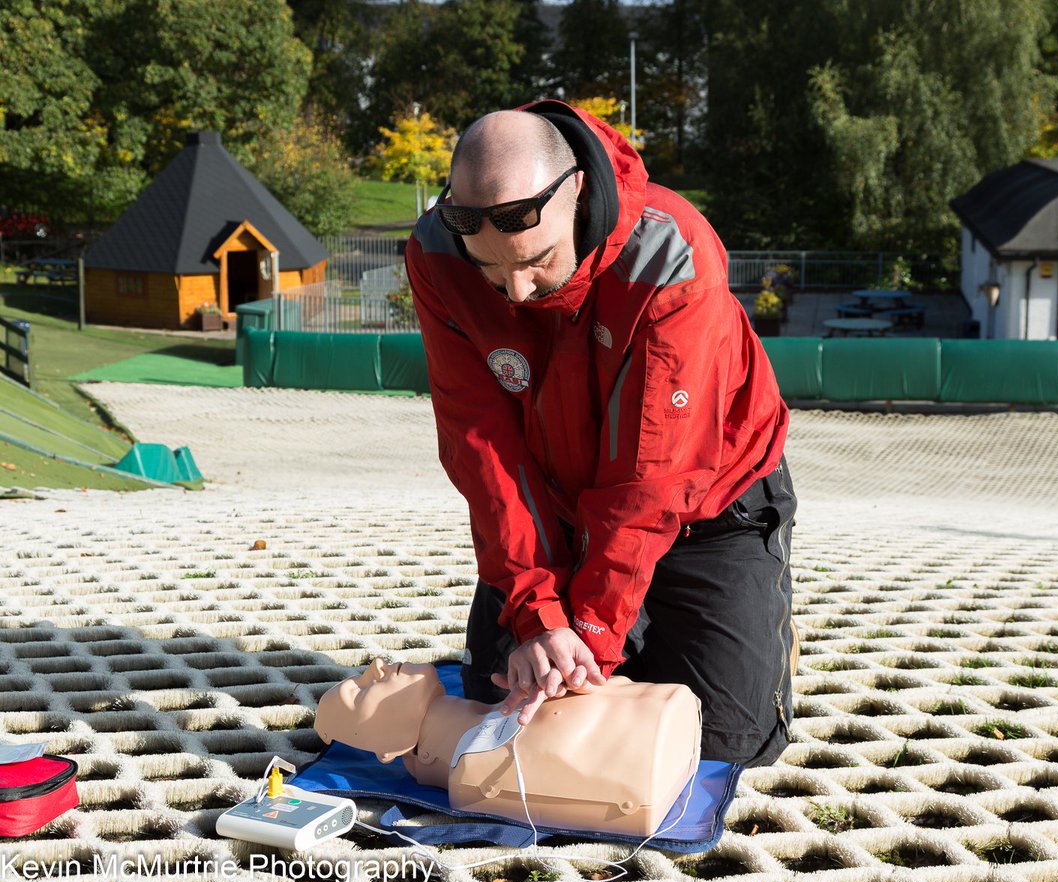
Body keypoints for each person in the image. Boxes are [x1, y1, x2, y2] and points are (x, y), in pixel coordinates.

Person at [404, 100, 795, 767]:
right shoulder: (437, 255)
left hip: (710, 505)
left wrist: (587, 631)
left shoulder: (672, 251)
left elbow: (652, 477)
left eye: (537, 260)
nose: (518, 293)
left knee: (727, 745)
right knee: (498, 705)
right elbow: (482, 445)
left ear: (578, 191)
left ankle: (740, 625)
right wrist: (535, 611)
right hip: (561, 504)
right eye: (491, 271)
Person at [314, 658, 701, 837]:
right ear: (387, 749)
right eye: (361, 690)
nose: (376, 665)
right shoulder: (476, 779)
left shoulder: (502, 700)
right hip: (648, 753)